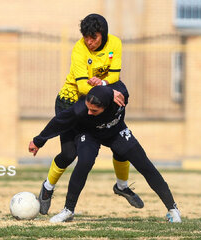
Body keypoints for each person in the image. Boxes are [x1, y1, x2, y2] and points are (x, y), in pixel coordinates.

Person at [29, 81, 182, 223]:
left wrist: (106, 85)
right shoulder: (80, 110)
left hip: (116, 132)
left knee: (145, 165)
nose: (89, 112)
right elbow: (58, 123)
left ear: (107, 105)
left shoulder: (121, 95)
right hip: (89, 134)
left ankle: (172, 209)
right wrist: (38, 141)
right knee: (84, 163)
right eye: (88, 108)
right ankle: (68, 210)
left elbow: (117, 79)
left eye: (94, 110)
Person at [38, 13, 143, 215]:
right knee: (69, 154)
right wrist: (109, 91)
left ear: (102, 34)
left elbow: (114, 75)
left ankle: (122, 186)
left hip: (96, 103)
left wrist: (104, 85)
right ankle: (47, 188)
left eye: (93, 37)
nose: (89, 42)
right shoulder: (79, 49)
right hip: (71, 102)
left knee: (120, 146)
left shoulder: (115, 44)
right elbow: (82, 86)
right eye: (86, 37)